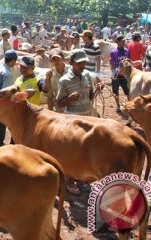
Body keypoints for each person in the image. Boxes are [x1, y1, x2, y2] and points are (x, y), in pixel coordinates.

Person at [57, 49, 98, 195]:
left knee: (85, 152)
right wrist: (69, 99)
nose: (83, 65)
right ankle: (69, 180)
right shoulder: (64, 81)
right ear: (71, 63)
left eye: (84, 62)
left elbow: (91, 96)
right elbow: (59, 103)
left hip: (87, 121)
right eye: (79, 63)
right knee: (72, 152)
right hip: (72, 124)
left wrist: (96, 90)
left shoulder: (87, 75)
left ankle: (81, 178)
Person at [0, 50, 18, 147]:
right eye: (15, 61)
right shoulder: (7, 74)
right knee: (2, 124)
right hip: (2, 103)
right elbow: (6, 93)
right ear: (13, 60)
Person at [45, 48, 71, 112]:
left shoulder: (71, 71)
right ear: (51, 61)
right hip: (59, 110)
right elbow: (50, 96)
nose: (56, 61)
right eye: (53, 59)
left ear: (63, 59)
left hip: (72, 109)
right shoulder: (50, 74)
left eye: (58, 58)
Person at [110, 35, 130, 112]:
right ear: (118, 42)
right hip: (116, 74)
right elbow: (112, 63)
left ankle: (129, 104)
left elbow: (129, 62)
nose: (124, 42)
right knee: (115, 91)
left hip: (125, 75)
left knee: (128, 91)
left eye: (125, 41)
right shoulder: (113, 52)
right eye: (123, 41)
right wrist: (112, 73)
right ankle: (118, 106)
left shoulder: (127, 51)